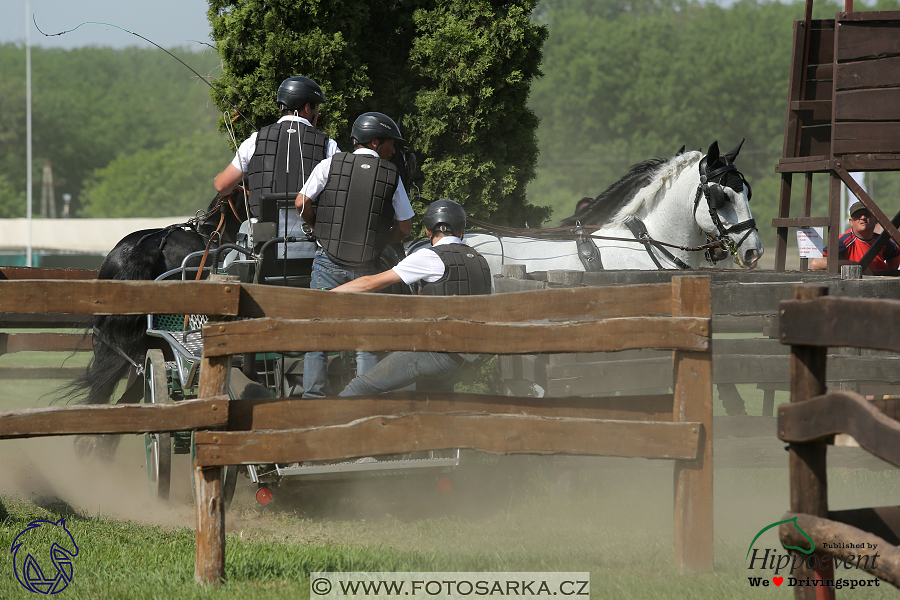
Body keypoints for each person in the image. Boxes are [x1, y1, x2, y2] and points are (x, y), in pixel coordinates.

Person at [294, 111, 415, 398]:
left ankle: (313, 401)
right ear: (375, 142)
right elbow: (406, 227)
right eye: (391, 143)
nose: (393, 149)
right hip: (367, 269)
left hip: (327, 263)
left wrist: (317, 228)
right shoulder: (392, 175)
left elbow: (301, 202)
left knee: (318, 335)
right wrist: (379, 241)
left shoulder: (329, 165)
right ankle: (363, 401)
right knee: (366, 339)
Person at [330, 199, 492, 396]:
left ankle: (325, 424)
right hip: (469, 360)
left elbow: (368, 283)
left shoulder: (430, 257)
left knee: (360, 387)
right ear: (460, 231)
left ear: (428, 231)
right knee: (431, 408)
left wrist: (323, 298)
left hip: (438, 352)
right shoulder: (481, 261)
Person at [213, 76, 339, 215]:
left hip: (263, 231)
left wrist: (239, 185)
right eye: (317, 107)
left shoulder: (255, 140)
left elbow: (221, 185)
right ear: (308, 107)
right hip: (310, 230)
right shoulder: (328, 145)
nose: (319, 113)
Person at [810, 201, 900, 271]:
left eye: (867, 214)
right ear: (851, 222)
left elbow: (896, 253)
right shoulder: (843, 242)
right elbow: (815, 263)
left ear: (876, 220)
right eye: (858, 215)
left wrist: (888, 273)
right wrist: (855, 265)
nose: (863, 217)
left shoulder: (882, 241)